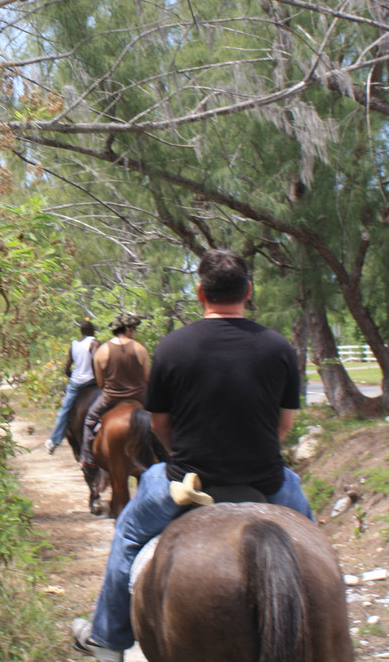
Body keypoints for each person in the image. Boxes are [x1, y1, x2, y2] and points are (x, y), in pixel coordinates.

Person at [71, 249, 314, 662]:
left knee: (128, 534)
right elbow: (283, 426)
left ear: (200, 292)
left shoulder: (172, 347)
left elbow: (161, 426)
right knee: (314, 544)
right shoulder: (279, 349)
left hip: (187, 484)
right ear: (248, 292)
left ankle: (108, 640)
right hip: (268, 481)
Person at [79, 314, 149, 470]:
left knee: (90, 419)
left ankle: (87, 458)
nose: (134, 331)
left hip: (111, 399)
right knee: (162, 418)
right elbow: (147, 378)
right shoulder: (140, 349)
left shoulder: (102, 351)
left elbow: (100, 383)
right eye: (133, 328)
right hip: (140, 397)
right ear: (128, 328)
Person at [45, 320, 98, 454]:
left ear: (81, 332)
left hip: (76, 382)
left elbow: (67, 369)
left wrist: (73, 378)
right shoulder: (94, 342)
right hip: (92, 381)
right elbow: (96, 363)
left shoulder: (74, 345)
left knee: (65, 410)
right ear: (92, 331)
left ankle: (54, 440)